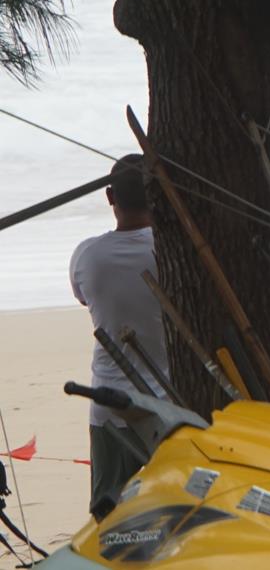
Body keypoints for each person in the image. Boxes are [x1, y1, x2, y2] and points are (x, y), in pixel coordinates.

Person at [69, 154, 169, 518]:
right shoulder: (170, 252)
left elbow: (84, 298)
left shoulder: (87, 256)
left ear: (110, 197)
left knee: (108, 517)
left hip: (110, 405)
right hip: (168, 403)